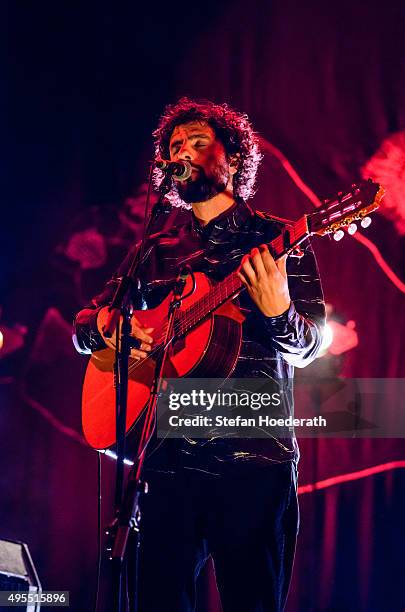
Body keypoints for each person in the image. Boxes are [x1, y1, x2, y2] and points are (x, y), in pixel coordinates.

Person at [73, 98, 325, 612]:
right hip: (166, 462)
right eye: (174, 146)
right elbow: (86, 324)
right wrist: (108, 327)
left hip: (254, 460)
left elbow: (310, 347)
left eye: (197, 141)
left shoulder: (279, 238)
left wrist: (277, 313)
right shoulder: (155, 250)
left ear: (231, 158)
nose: (182, 150)